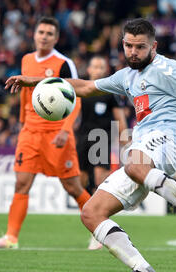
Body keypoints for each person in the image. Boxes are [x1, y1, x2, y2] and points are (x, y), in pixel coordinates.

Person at [5, 18, 176, 272]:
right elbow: (83, 87)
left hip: (169, 138)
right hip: (144, 147)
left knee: (133, 162)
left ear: (153, 46)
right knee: (91, 213)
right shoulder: (126, 76)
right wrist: (35, 81)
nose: (133, 52)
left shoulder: (168, 69)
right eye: (128, 46)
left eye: (139, 47)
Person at [0, 17, 91, 249]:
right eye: (40, 31)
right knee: (21, 183)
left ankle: (101, 229)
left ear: (56, 38)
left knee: (73, 187)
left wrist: (65, 130)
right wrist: (23, 125)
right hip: (30, 131)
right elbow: (25, 94)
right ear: (34, 34)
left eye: (49, 33)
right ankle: (11, 238)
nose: (44, 36)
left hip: (56, 133)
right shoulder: (26, 59)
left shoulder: (64, 63)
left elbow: (76, 99)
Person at [76, 56, 128, 250]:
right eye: (94, 66)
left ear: (105, 70)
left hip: (101, 139)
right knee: (81, 184)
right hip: (82, 139)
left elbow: (120, 118)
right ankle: (95, 224)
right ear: (89, 69)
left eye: (101, 66)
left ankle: (100, 230)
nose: (97, 69)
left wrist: (124, 140)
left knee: (99, 182)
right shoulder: (81, 90)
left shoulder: (109, 92)